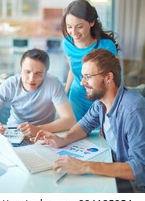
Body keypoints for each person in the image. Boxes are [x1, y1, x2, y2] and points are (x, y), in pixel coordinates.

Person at [35, 49, 145, 192]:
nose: (82, 82)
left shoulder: (133, 110)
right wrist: (63, 140)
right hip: (117, 172)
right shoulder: (101, 103)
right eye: (82, 76)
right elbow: (84, 125)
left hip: (135, 188)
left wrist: (84, 166)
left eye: (88, 77)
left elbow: (140, 169)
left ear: (108, 77)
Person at [0, 48, 76, 137]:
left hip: (42, 135)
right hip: (14, 132)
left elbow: (69, 120)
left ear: (46, 73)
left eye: (38, 74)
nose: (31, 79)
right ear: (20, 69)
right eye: (27, 72)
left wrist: (38, 129)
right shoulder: (10, 84)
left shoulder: (53, 83)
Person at [61, 0, 119, 121]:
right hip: (76, 97)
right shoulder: (67, 44)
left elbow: (112, 78)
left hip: (100, 98)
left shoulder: (107, 46)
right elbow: (72, 70)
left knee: (100, 136)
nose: (73, 32)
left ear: (91, 22)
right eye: (69, 27)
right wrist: (64, 94)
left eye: (79, 27)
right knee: (75, 133)